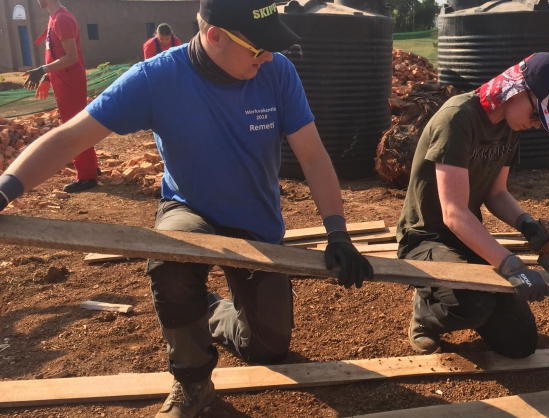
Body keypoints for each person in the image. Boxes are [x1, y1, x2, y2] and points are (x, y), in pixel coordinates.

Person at [0, 0, 374, 416]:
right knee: (172, 257)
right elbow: (70, 138)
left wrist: (338, 231)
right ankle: (192, 383)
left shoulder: (276, 72)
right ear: (215, 36)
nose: (268, 56)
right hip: (190, 208)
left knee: (268, 347)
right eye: (258, 48)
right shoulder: (156, 79)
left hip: (255, 220)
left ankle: (211, 310)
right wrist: (5, 189)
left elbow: (313, 156)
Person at [398, 53, 549, 358]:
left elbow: (496, 193)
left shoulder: (510, 126)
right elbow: (453, 213)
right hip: (425, 239)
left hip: (467, 238)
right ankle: (426, 313)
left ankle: (464, 299)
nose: (534, 125)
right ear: (517, 89)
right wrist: (511, 265)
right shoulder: (457, 118)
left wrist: (527, 225)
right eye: (535, 115)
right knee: (474, 304)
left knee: (520, 344)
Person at [23, 0, 99, 193]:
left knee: (74, 128)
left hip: (69, 82)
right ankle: (90, 166)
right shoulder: (55, 18)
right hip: (63, 80)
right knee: (76, 125)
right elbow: (56, 53)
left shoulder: (61, 19)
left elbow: (71, 57)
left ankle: (87, 176)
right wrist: (48, 76)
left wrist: (43, 69)